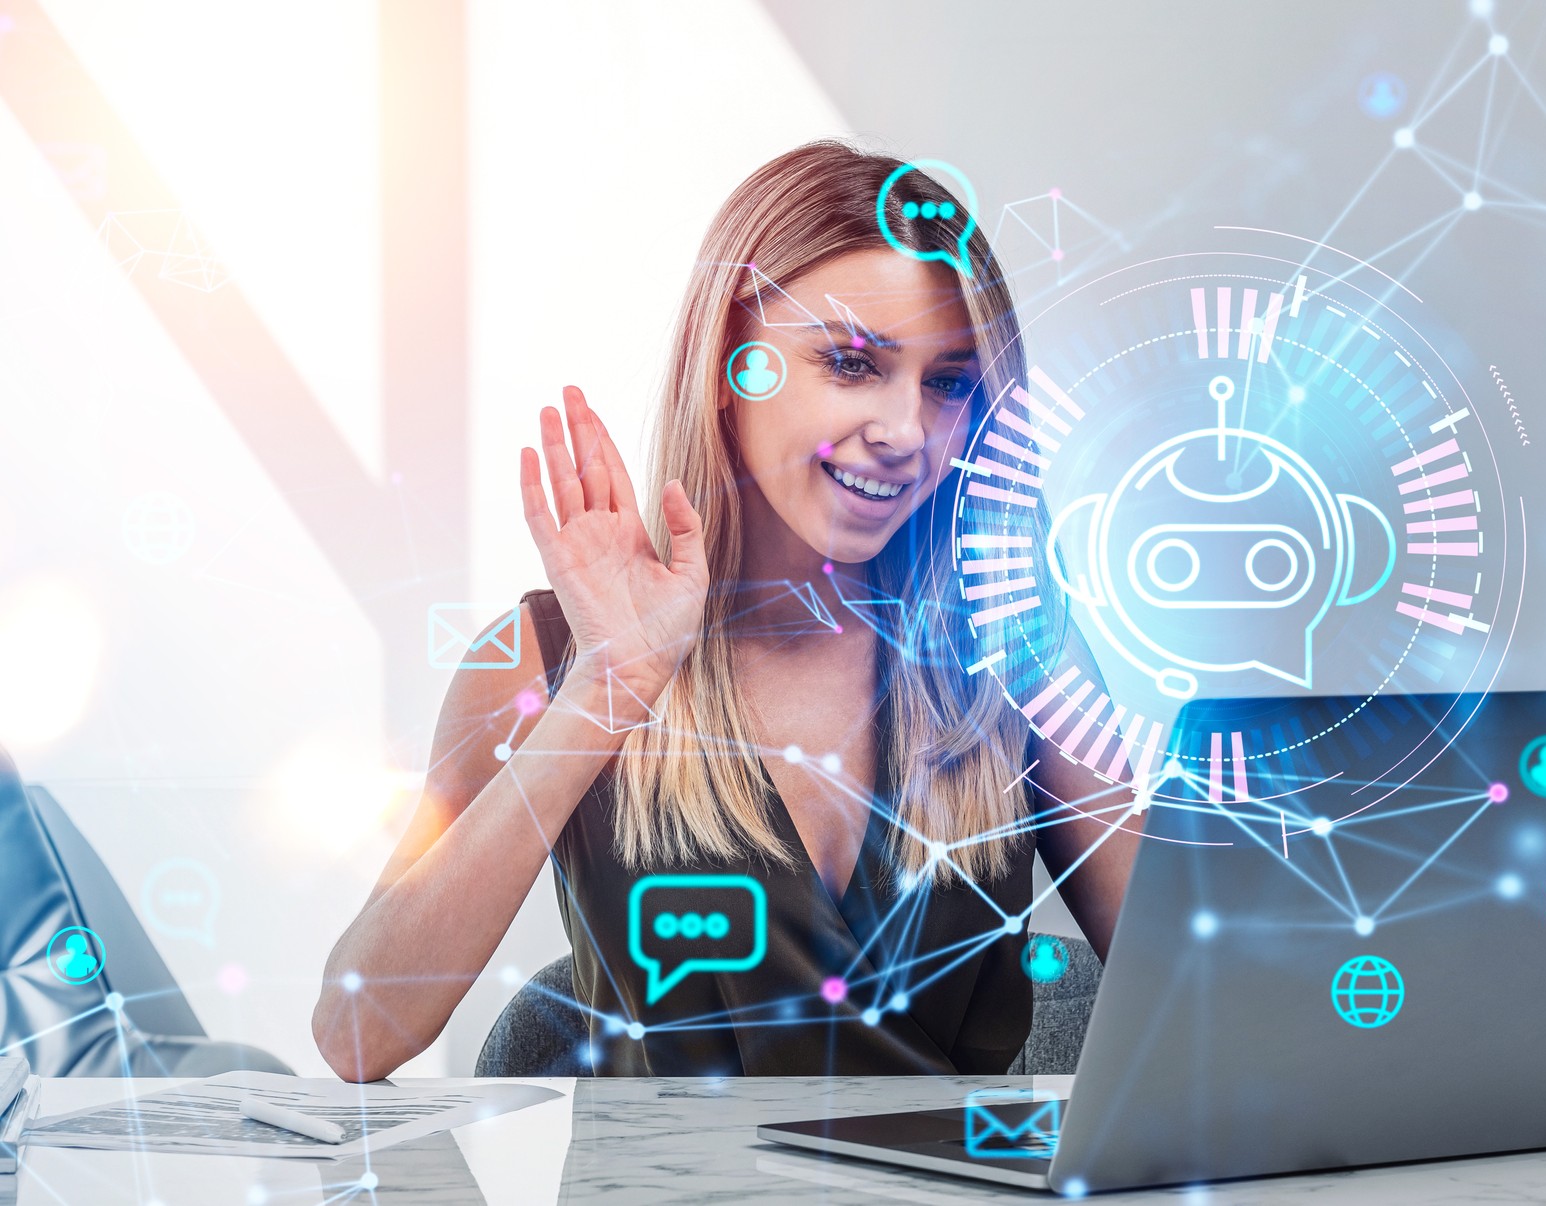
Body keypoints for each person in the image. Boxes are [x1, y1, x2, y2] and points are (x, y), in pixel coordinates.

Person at [312, 141, 1142, 1081]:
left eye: (947, 383)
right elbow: (358, 1032)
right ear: (726, 366)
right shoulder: (538, 659)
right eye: (852, 363)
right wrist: (607, 690)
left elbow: (1200, 987)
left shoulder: (1015, 647)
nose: (908, 431)